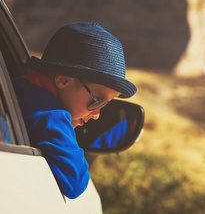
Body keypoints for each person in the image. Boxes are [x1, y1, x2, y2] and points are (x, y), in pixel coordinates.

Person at [12, 22, 137, 199]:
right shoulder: (50, 116)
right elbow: (75, 182)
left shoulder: (14, 87)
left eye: (104, 106)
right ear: (63, 81)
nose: (97, 114)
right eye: (97, 101)